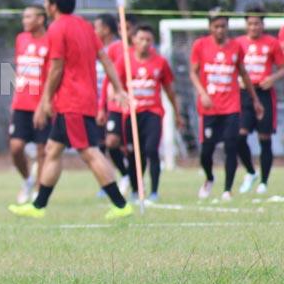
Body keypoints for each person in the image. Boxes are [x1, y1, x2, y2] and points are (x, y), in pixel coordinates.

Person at [8, 0, 134, 219]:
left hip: (72, 102)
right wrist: (118, 88)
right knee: (53, 150)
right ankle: (38, 207)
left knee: (89, 153)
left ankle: (120, 205)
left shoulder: (56, 28)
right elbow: (105, 59)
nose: (45, 5)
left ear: (52, 5)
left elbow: (56, 68)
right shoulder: (85, 27)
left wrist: (45, 100)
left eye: (45, 1)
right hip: (80, 100)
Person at [189, 13, 263, 201]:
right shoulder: (200, 45)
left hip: (231, 106)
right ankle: (209, 178)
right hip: (209, 108)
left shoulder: (236, 46)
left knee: (232, 145)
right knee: (207, 151)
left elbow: (244, 73)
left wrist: (255, 100)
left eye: (223, 26)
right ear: (210, 27)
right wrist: (203, 94)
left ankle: (227, 190)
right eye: (216, 26)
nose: (220, 30)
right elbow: (193, 73)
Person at [115, 25, 184, 201]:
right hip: (131, 114)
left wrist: (177, 113)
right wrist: (119, 98)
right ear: (134, 41)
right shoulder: (125, 60)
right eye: (141, 39)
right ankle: (136, 190)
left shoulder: (160, 62)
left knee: (151, 150)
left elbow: (169, 90)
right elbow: (116, 86)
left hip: (153, 112)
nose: (145, 43)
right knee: (133, 153)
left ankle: (154, 191)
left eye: (148, 40)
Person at [234, 7, 284, 194]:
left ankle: (263, 182)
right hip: (244, 94)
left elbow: (282, 67)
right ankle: (250, 171)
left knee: (265, 138)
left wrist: (272, 78)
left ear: (262, 24)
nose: (254, 27)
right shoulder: (238, 43)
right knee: (239, 136)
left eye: (257, 23)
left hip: (264, 94)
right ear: (246, 25)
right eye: (251, 23)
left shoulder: (271, 43)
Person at [9, 5, 50, 204]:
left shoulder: (51, 41)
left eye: (29, 17)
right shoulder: (21, 39)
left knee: (43, 150)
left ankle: (38, 191)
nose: (24, 20)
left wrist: (44, 105)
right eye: (23, 16)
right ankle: (27, 179)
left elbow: (53, 75)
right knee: (16, 147)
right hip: (21, 104)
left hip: (43, 105)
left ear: (41, 19)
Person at [94, 13, 130, 192]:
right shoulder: (95, 49)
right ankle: (107, 181)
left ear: (106, 29)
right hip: (98, 103)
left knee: (114, 142)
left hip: (116, 104)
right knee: (99, 144)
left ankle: (126, 175)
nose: (94, 31)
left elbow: (114, 75)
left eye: (96, 27)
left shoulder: (117, 48)